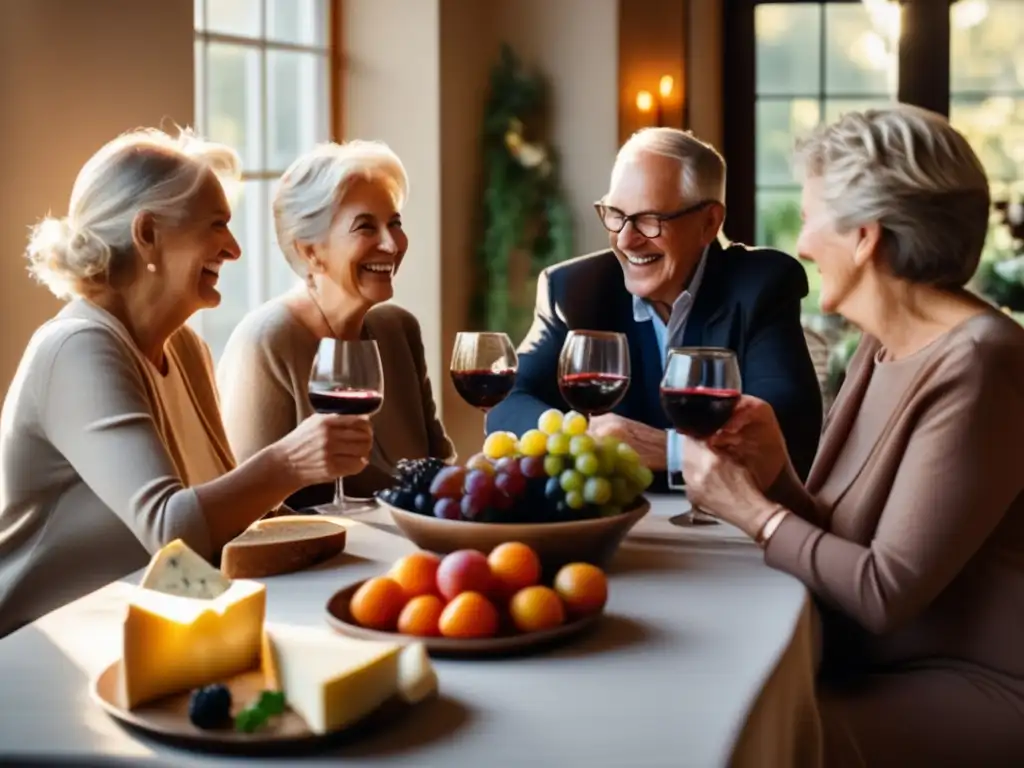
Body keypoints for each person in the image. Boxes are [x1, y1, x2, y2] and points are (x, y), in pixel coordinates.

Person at [683, 105, 1024, 764]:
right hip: (869, 655)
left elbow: (880, 590)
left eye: (811, 218)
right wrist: (777, 473)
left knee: (747, 741)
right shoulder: (879, 344)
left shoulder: (982, 363)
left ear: (866, 237)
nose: (802, 241)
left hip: (979, 682)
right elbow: (845, 541)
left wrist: (749, 510)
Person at [0, 129, 374, 637]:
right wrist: (291, 461)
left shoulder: (185, 348)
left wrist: (368, 546)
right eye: (217, 225)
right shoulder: (78, 348)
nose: (235, 249)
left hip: (145, 630)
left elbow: (225, 522)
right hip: (36, 648)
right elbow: (172, 532)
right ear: (147, 233)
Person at [486, 127, 823, 489]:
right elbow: (508, 402)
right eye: (616, 214)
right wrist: (587, 438)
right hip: (613, 519)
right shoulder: (571, 290)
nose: (626, 239)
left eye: (651, 220)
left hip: (725, 528)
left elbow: (789, 429)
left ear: (709, 222)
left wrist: (670, 451)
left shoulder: (761, 286)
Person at [217, 140, 454, 509]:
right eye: (366, 227)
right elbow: (248, 513)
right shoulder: (267, 340)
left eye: (394, 223)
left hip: (407, 558)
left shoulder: (399, 330)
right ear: (310, 251)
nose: (391, 244)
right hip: (315, 564)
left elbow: (439, 473)